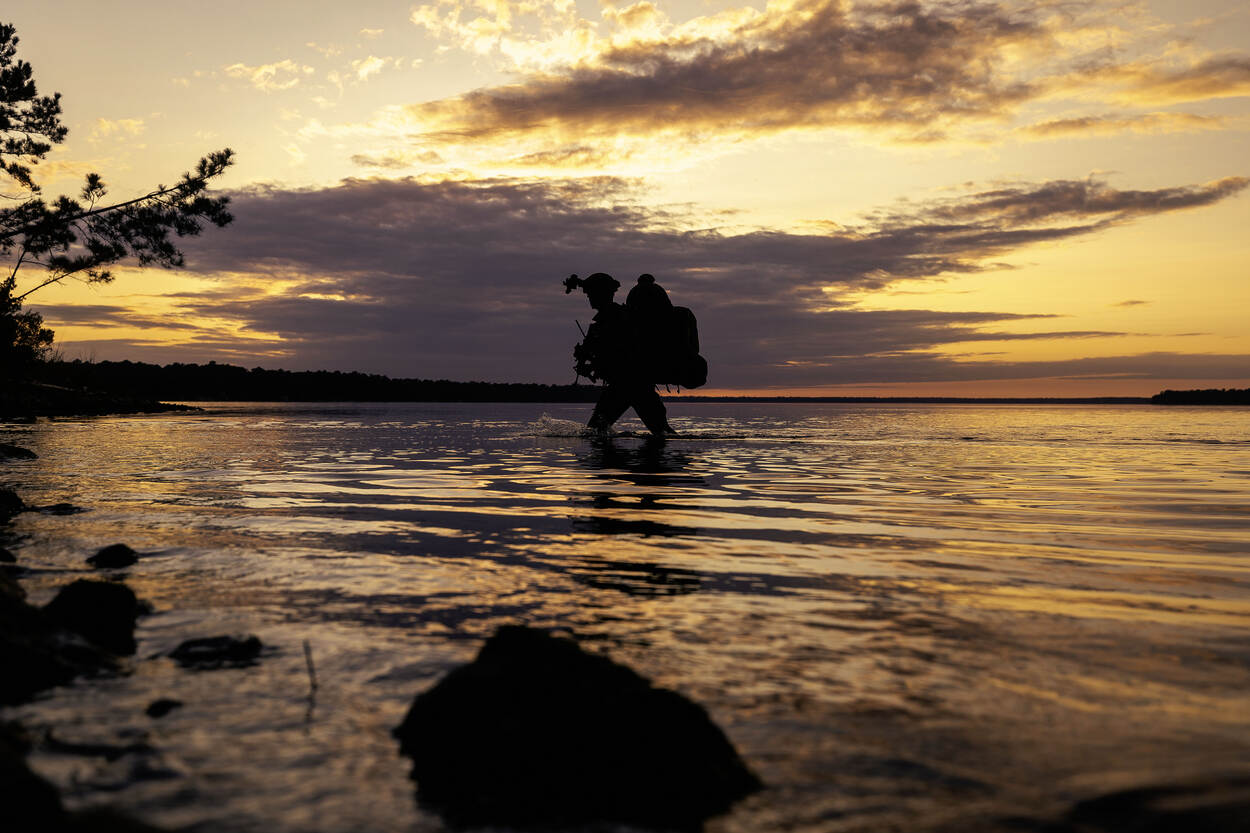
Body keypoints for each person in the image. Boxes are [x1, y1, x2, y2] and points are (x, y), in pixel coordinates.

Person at [564, 272, 675, 437]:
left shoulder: (613, 318)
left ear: (601, 294)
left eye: (591, 294)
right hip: (636, 386)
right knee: (662, 433)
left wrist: (591, 360)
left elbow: (619, 352)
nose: (589, 299)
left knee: (595, 432)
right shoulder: (614, 316)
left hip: (626, 386)